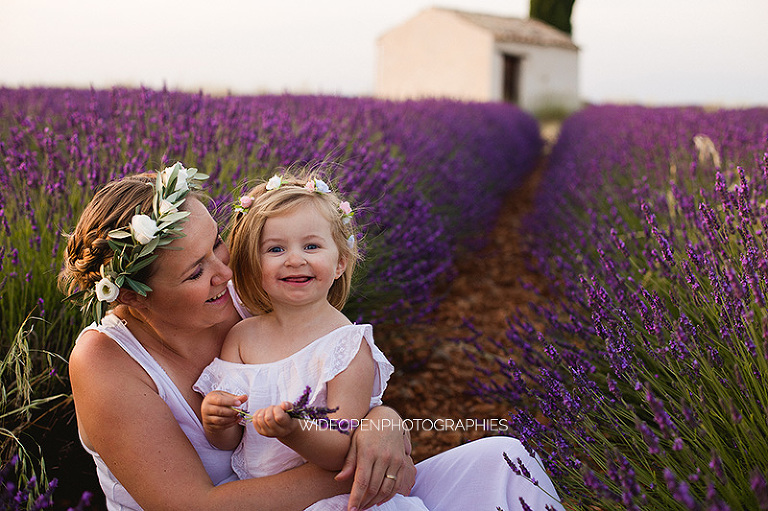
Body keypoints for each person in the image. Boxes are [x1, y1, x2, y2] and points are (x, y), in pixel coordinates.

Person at [60, 162, 565, 511]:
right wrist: (368, 471)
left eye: (217, 244)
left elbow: (339, 366)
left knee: (503, 462)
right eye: (195, 271)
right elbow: (191, 505)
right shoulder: (107, 360)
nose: (225, 271)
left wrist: (381, 421)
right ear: (134, 299)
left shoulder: (244, 297)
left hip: (328, 493)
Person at [193, 174, 429, 511]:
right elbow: (233, 440)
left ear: (340, 263)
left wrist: (293, 431)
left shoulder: (345, 345)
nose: (294, 259)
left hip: (330, 500)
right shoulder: (241, 337)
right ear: (253, 264)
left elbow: (341, 449)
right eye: (276, 249)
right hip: (261, 497)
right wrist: (216, 418)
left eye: (311, 246)